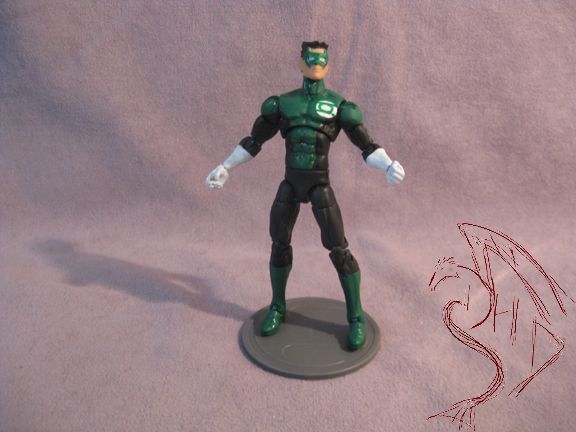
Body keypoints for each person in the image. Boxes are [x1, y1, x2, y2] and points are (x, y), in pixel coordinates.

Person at [206, 41, 405, 350]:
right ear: (300, 63)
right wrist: (225, 167)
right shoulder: (282, 104)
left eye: (321, 60)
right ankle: (277, 307)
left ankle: (356, 317)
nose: (316, 64)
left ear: (328, 64)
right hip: (290, 183)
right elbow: (254, 140)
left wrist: (388, 165)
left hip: (319, 185)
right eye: (310, 59)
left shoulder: (340, 107)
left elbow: (366, 145)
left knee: (339, 249)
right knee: (279, 243)